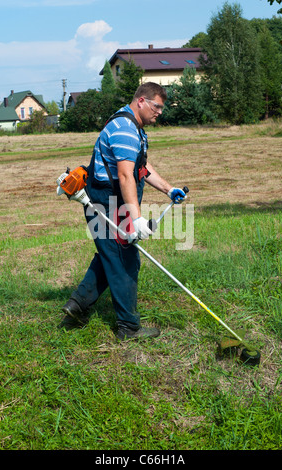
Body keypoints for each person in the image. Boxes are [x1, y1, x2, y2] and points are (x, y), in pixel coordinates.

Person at [58, 82, 186, 340]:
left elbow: (141, 166)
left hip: (113, 203)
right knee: (125, 261)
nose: (159, 112)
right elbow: (126, 177)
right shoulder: (126, 129)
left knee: (111, 256)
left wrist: (168, 189)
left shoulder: (131, 126)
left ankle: (78, 305)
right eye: (157, 106)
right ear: (141, 101)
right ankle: (128, 328)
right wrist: (137, 219)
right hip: (107, 205)